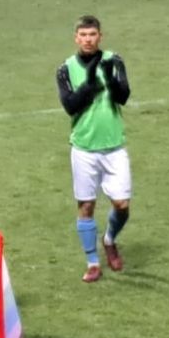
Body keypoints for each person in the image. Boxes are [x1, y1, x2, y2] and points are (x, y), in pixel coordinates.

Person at [56, 15, 132, 283]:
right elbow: (70, 106)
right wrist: (90, 84)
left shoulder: (114, 61)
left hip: (114, 147)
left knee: (122, 205)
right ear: (76, 38)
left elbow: (123, 96)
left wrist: (109, 80)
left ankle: (109, 239)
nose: (88, 39)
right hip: (84, 149)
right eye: (83, 35)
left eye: (92, 34)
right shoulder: (65, 69)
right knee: (86, 206)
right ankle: (92, 263)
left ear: (100, 36)